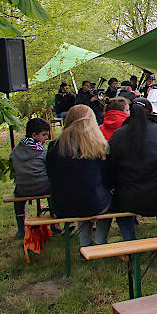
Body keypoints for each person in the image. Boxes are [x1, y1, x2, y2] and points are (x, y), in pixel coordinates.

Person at [105, 98, 157, 240]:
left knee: (119, 206)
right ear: (151, 111)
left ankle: (129, 239)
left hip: (127, 198)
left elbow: (109, 170)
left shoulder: (118, 135)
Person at [45, 105, 112, 246]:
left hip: (62, 204)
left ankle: (85, 243)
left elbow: (51, 174)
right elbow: (107, 177)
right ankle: (100, 242)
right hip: (93, 202)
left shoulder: (54, 146)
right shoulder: (99, 146)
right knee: (97, 199)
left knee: (82, 195)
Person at [9, 118, 50, 238]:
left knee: (18, 201)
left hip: (23, 189)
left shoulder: (16, 150)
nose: (46, 138)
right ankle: (55, 221)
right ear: (34, 135)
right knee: (53, 191)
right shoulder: (42, 150)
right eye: (44, 135)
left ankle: (21, 228)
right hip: (43, 187)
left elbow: (12, 163)